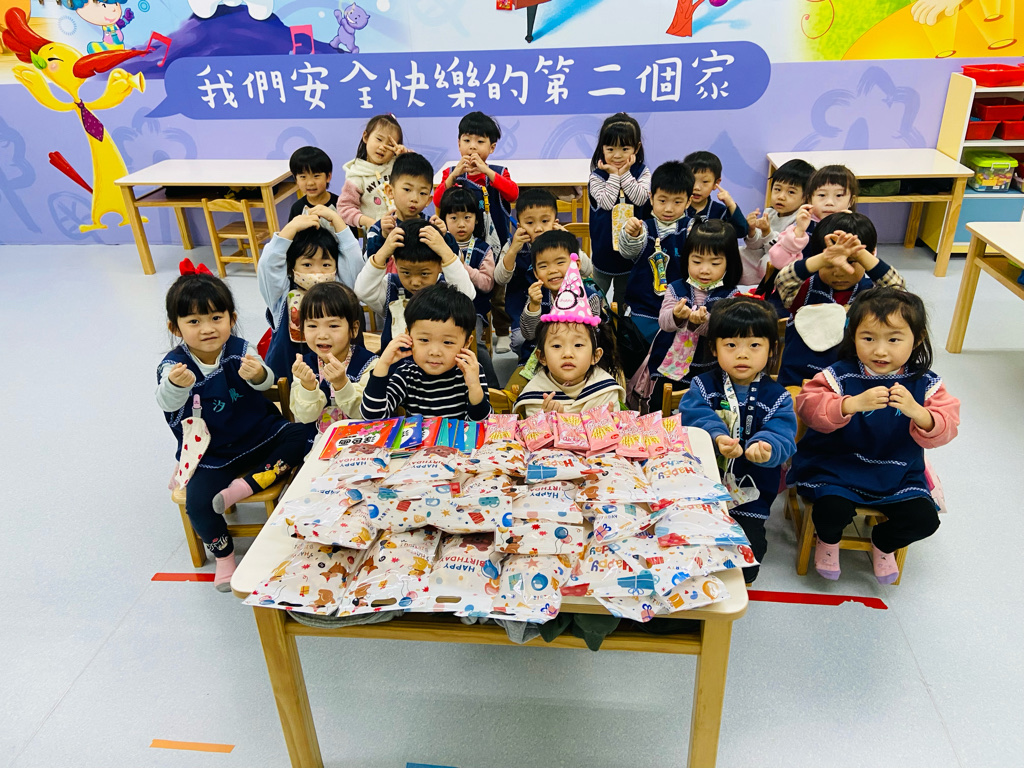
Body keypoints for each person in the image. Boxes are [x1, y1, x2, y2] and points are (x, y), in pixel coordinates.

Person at [157, 261, 311, 592]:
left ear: (232, 318)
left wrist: (259, 375)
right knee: (198, 505)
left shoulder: (240, 349)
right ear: (175, 327)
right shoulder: (173, 366)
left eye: (216, 318)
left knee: (304, 435)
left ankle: (243, 487)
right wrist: (174, 386)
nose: (207, 328)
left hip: (260, 435)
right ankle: (224, 556)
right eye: (194, 321)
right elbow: (166, 402)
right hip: (211, 453)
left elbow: (267, 381)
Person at [792, 287, 960, 584]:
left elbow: (948, 426)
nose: (880, 351)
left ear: (917, 338)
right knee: (830, 510)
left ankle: (883, 542)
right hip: (837, 467)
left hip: (897, 472)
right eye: (868, 338)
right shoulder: (839, 374)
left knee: (925, 520)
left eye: (894, 339)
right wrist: (850, 404)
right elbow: (808, 407)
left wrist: (918, 412)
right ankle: (828, 540)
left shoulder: (927, 383)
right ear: (853, 335)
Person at [677, 297, 797, 583]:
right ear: (714, 348)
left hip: (751, 495)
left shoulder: (779, 397)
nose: (742, 354)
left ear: (771, 349)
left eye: (754, 345)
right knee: (688, 552)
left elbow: (784, 436)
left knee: (747, 567)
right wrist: (716, 436)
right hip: (701, 489)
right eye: (731, 345)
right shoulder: (702, 386)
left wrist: (766, 446)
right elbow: (692, 417)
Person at [775, 212, 905, 387]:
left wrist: (862, 254)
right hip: (798, 380)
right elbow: (783, 280)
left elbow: (898, 291)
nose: (839, 272)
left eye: (851, 261)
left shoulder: (873, 295)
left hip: (851, 382)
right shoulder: (803, 288)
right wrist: (823, 257)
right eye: (829, 264)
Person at [633, 219, 743, 411]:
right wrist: (676, 316)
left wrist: (702, 322)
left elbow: (725, 331)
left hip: (710, 368)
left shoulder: (731, 296)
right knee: (659, 405)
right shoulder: (675, 288)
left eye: (715, 263)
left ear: (729, 263)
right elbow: (664, 322)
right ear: (686, 259)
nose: (704, 270)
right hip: (669, 365)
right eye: (697, 261)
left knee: (704, 408)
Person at [257, 206, 363, 381]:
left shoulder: (343, 289)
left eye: (326, 265)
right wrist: (290, 229)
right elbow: (268, 265)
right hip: (291, 382)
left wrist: (338, 222)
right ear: (291, 268)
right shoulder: (280, 295)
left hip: (342, 382)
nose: (317, 271)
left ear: (337, 266)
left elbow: (354, 260)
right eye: (307, 264)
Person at [360, 283, 491, 420]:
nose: (434, 352)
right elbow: (373, 417)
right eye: (424, 340)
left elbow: (482, 423)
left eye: (447, 342)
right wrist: (383, 364)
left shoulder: (470, 371)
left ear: (466, 343)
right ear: (408, 335)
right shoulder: (407, 375)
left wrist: (474, 386)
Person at [514, 252, 623, 416]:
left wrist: (607, 421)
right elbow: (531, 431)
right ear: (541, 357)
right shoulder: (535, 395)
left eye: (578, 345)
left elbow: (611, 431)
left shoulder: (605, 391)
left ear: (595, 356)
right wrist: (546, 421)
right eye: (556, 346)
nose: (567, 354)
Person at [495, 188, 593, 357]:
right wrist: (513, 250)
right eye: (530, 223)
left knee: (567, 338)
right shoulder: (513, 245)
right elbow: (500, 279)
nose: (538, 228)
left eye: (545, 221)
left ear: (555, 222)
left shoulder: (562, 243)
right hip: (523, 307)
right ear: (519, 226)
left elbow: (587, 269)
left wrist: (569, 242)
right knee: (520, 341)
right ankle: (529, 360)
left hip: (564, 305)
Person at [354, 218, 476, 349]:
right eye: (406, 273)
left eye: (424, 274)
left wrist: (445, 252)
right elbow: (362, 291)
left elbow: (467, 295)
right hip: (395, 361)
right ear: (395, 263)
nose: (415, 282)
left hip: (437, 360)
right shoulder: (391, 286)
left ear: (441, 265)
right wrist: (383, 252)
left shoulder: (448, 289)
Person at [618, 160, 694, 343]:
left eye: (677, 202)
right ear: (651, 198)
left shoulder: (692, 229)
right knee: (637, 351)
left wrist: (698, 239)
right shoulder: (641, 227)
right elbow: (627, 252)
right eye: (662, 200)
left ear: (688, 201)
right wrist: (631, 235)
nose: (668, 208)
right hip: (643, 310)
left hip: (680, 312)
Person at [290, 281, 378, 432]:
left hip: (361, 437)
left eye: (333, 326)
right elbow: (305, 417)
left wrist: (342, 384)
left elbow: (367, 414)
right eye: (312, 326)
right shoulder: (304, 367)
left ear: (354, 329)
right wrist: (308, 387)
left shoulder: (370, 365)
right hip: (318, 440)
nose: (322, 335)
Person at [432, 110, 519, 255]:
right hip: (458, 246)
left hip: (496, 245)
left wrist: (487, 171)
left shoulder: (499, 172)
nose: (472, 146)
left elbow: (513, 195)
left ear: (492, 147)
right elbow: (438, 202)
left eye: (480, 142)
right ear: (459, 144)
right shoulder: (451, 173)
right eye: (467, 141)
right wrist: (453, 176)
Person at [588, 112, 651, 302]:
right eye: (610, 149)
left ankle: (621, 321)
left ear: (636, 148)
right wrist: (614, 176)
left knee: (624, 298)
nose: (617, 155)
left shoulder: (643, 172)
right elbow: (607, 203)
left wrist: (624, 173)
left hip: (632, 254)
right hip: (603, 252)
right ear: (602, 148)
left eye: (625, 148)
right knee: (596, 297)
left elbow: (640, 199)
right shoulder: (597, 176)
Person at [519, 229, 604, 363]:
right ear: (535, 273)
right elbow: (529, 335)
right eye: (543, 266)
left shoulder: (589, 297)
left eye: (560, 262)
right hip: (540, 359)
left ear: (576, 264)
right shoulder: (537, 296)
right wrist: (534, 305)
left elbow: (592, 337)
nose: (552, 270)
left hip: (579, 360)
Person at [362, 152, 454, 263]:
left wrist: (444, 237)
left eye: (422, 193)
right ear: (390, 191)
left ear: (428, 200)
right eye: (407, 189)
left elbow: (457, 259)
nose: (414, 198)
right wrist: (383, 236)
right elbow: (367, 262)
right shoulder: (380, 228)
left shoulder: (432, 226)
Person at [768, 164, 859, 270]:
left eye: (839, 195)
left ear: (851, 201)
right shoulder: (802, 226)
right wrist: (799, 232)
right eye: (822, 195)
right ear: (809, 199)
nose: (829, 202)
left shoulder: (857, 226)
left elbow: (866, 265)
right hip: (806, 279)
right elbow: (778, 263)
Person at [741, 158, 815, 285]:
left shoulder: (800, 219)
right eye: (777, 189)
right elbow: (755, 246)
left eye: (791, 192)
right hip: (763, 256)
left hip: (783, 263)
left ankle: (764, 290)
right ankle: (733, 287)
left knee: (768, 261)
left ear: (806, 197)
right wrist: (752, 231)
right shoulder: (770, 212)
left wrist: (767, 232)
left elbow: (780, 252)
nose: (781, 196)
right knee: (739, 252)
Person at [337, 114, 407, 230]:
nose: (383, 147)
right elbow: (344, 208)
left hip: (406, 230)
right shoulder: (356, 176)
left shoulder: (399, 166)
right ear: (365, 136)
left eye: (390, 145)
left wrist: (406, 156)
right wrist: (370, 222)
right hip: (377, 235)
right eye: (379, 139)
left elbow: (419, 175)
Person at [438, 183, 496, 321]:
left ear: (476, 219)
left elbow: (487, 284)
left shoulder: (483, 249)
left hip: (474, 308)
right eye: (454, 218)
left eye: (467, 217)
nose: (461, 224)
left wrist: (461, 267)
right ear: (444, 219)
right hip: (442, 307)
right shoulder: (439, 245)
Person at [683, 150, 748, 238]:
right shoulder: (678, 208)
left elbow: (741, 231)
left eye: (705, 182)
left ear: (716, 183)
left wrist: (731, 204)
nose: (697, 187)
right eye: (692, 180)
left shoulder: (720, 211)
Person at [287, 146, 338, 221]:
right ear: (296, 179)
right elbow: (292, 228)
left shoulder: (340, 204)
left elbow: (349, 229)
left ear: (328, 177)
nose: (310, 183)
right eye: (303, 177)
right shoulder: (297, 208)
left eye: (316, 176)